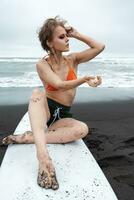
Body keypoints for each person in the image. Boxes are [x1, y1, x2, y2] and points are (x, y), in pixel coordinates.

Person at [2, 16, 105, 190]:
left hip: (62, 116)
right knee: (37, 93)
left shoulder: (73, 59)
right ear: (49, 42)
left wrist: (77, 34)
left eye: (66, 36)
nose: (67, 39)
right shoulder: (42, 64)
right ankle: (43, 159)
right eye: (61, 37)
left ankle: (29, 137)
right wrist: (85, 79)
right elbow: (59, 85)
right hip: (46, 111)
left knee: (82, 129)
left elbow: (99, 47)